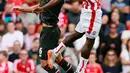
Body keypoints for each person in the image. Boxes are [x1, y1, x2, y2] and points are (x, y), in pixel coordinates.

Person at [13, 0, 74, 72]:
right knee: (58, 59)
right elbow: (38, 7)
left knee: (44, 64)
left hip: (50, 31)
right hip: (48, 30)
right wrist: (22, 9)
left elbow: (43, 7)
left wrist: (41, 8)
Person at [47, 0, 102, 73]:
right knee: (90, 41)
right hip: (92, 10)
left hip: (88, 8)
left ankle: (55, 52)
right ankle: (80, 70)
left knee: (78, 34)